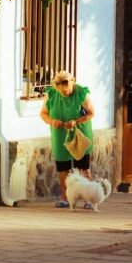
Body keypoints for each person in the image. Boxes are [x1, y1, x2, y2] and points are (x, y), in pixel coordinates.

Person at [40, 70, 95, 208]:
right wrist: (52, 121)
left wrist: (76, 121)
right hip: (60, 135)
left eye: (69, 90)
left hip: (79, 134)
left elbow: (91, 113)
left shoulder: (82, 93)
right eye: (63, 92)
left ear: (72, 83)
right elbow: (43, 114)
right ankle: (65, 198)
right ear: (57, 88)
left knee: (83, 166)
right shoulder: (51, 94)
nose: (67, 93)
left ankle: (88, 199)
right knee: (62, 168)